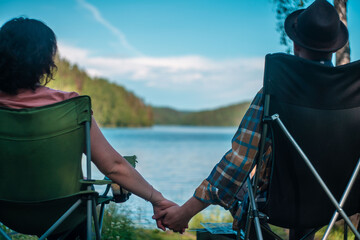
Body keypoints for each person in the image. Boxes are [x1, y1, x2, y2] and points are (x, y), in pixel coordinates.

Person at [153, 0, 349, 239]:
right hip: (340, 202)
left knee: (247, 182)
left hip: (282, 203)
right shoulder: (352, 95)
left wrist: (185, 211)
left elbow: (239, 160)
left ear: (296, 46)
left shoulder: (275, 92)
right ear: (334, 48)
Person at [0, 17, 176, 236]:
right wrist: (158, 199)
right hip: (65, 213)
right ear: (45, 60)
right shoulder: (70, 106)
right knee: (82, 201)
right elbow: (113, 166)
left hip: (6, 211)